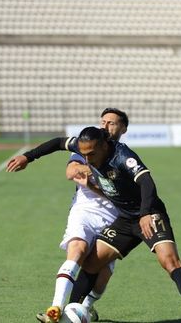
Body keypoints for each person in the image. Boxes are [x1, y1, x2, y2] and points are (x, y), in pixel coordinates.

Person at [7, 127, 181, 323]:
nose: (87, 159)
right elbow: (58, 142)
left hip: (150, 214)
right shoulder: (84, 147)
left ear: (103, 145)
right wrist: (28, 157)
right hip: (125, 220)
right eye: (83, 155)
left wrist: (145, 214)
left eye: (91, 153)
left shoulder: (123, 156)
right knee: (91, 264)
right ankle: (69, 313)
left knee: (170, 262)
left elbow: (147, 182)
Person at [38, 108, 128, 323]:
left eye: (112, 123)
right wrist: (105, 172)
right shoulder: (86, 144)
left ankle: (84, 308)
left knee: (103, 271)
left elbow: (125, 191)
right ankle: (56, 308)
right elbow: (71, 172)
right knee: (76, 249)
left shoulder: (125, 155)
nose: (105, 126)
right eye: (103, 121)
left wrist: (97, 174)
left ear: (123, 128)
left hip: (114, 217)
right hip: (84, 210)